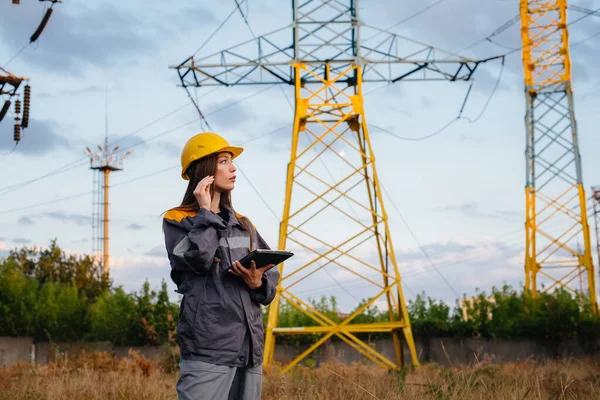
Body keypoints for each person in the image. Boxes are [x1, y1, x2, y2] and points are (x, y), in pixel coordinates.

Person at [163, 132, 280, 400]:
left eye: (232, 161)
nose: (233, 168)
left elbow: (270, 274)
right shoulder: (178, 220)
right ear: (204, 170)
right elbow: (198, 259)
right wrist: (207, 214)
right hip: (209, 347)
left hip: (249, 348)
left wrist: (258, 282)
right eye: (224, 161)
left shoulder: (243, 223)